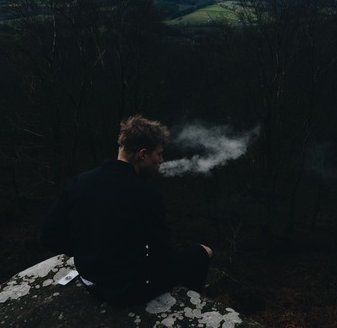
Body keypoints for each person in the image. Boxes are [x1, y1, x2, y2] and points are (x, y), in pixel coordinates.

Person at [40, 115, 213, 305]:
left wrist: (86, 253)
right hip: (126, 290)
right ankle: (187, 308)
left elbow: (49, 235)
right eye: (159, 154)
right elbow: (164, 255)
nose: (161, 160)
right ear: (143, 154)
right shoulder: (146, 193)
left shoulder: (79, 181)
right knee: (203, 252)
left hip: (90, 281)